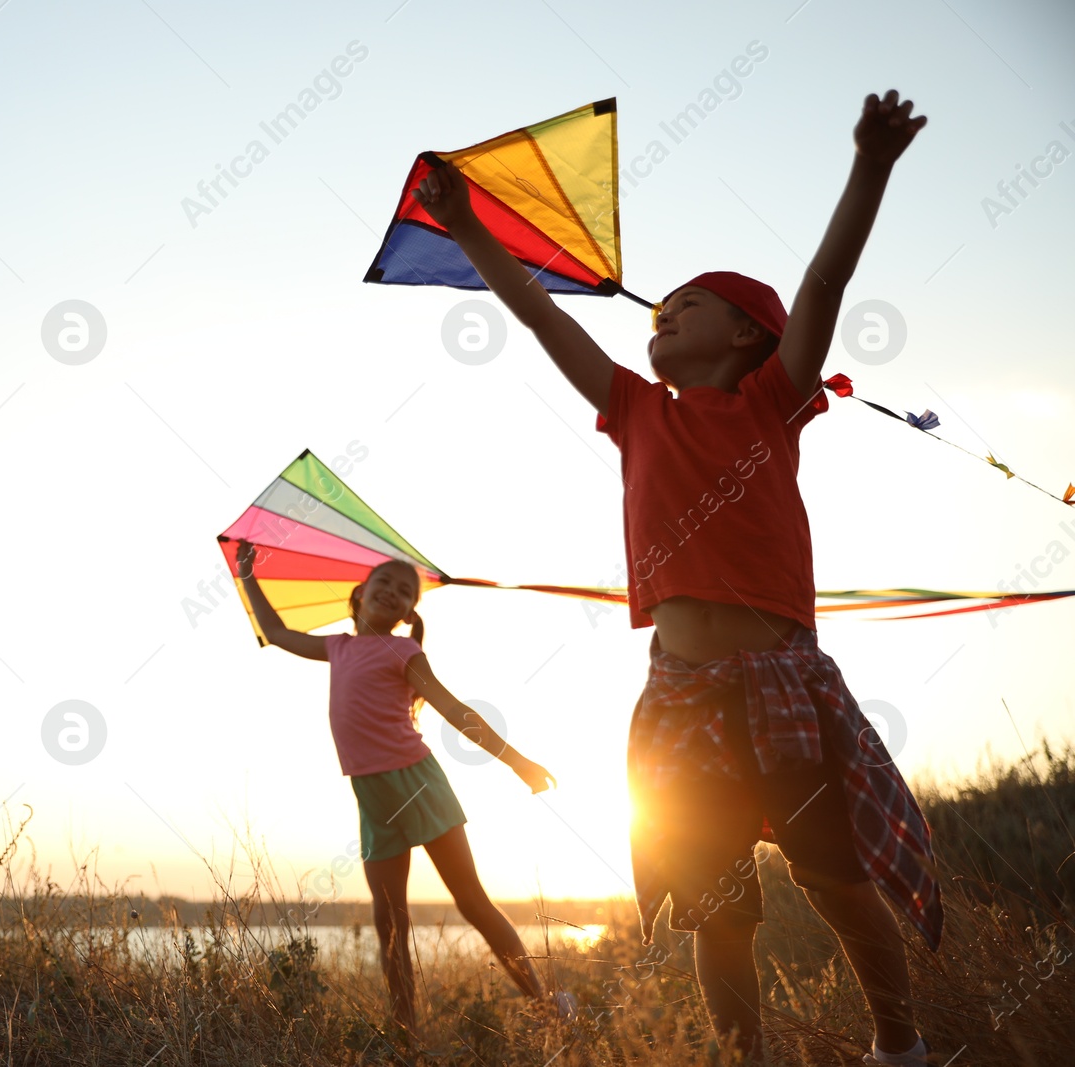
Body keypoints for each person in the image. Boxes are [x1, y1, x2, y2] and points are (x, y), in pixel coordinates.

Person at [409, 91, 939, 1066]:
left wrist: (869, 166)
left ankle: (897, 1046)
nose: (661, 316)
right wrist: (468, 226)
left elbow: (820, 285)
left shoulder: (773, 399)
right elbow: (535, 312)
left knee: (835, 879)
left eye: (685, 303)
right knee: (714, 906)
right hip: (679, 693)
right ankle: (744, 1055)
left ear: (746, 336)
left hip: (779, 681)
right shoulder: (631, 406)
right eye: (656, 310)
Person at [234, 539, 557, 1038]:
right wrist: (248, 574)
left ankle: (545, 1004)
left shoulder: (404, 650)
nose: (392, 591)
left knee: (471, 902)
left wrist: (518, 762)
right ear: (359, 594)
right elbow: (274, 632)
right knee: (389, 923)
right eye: (384, 582)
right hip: (372, 797)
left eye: (405, 591)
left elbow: (454, 712)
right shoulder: (336, 647)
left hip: (419, 785)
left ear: (409, 612)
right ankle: (404, 1034)